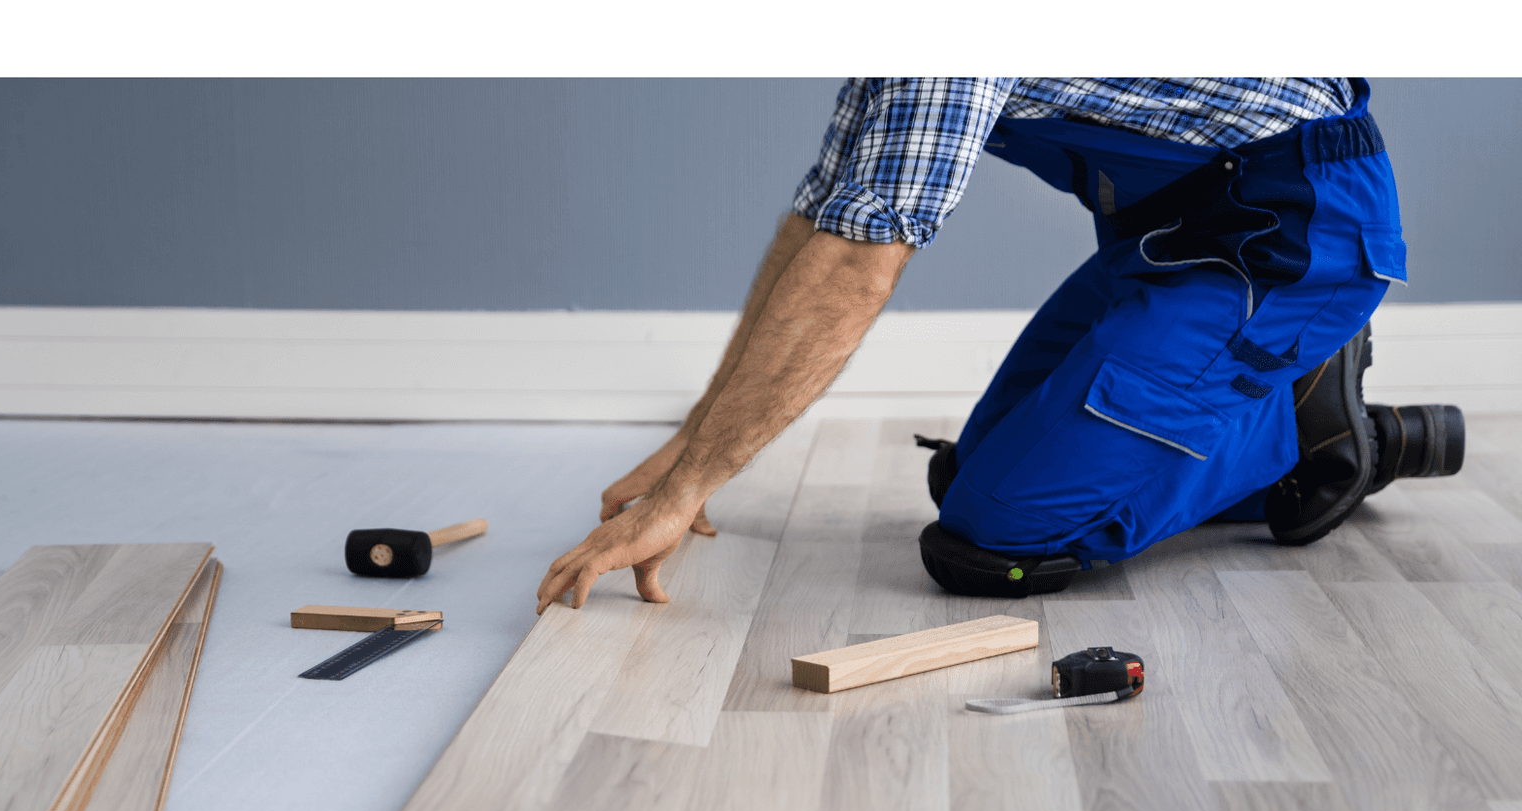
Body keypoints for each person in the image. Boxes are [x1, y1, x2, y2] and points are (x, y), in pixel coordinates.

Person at [535, 77, 1463, 614]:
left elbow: (861, 261)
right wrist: (693, 446)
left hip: (1289, 242)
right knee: (968, 480)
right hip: (1175, 238)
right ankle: (1270, 393)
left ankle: (1315, 430)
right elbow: (823, 218)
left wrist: (692, 485)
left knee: (998, 539)